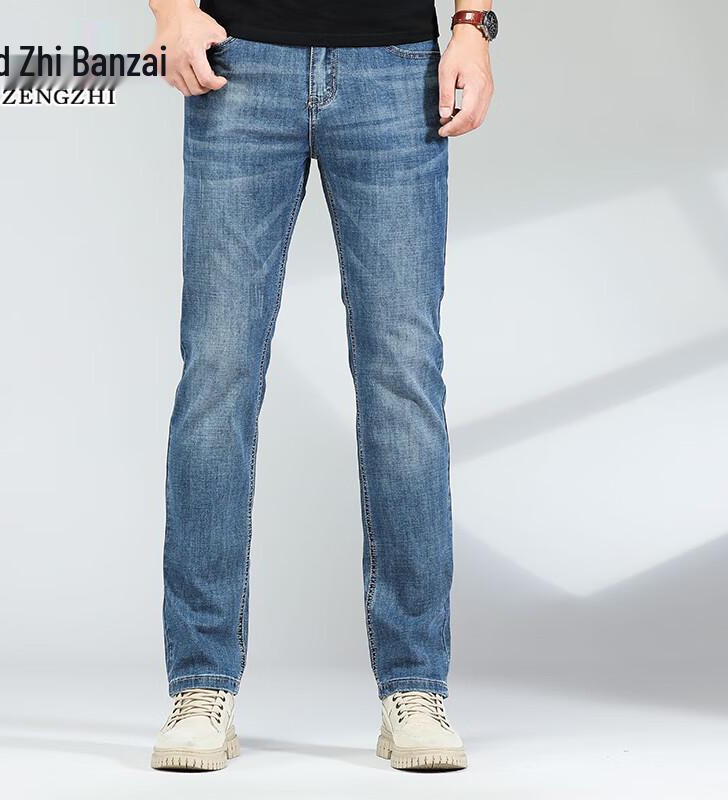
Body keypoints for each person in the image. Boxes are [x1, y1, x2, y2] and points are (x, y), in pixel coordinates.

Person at [145, 0, 496, 772]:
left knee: (403, 376)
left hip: (397, 69)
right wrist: (171, 9)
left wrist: (472, 26)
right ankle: (200, 685)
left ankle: (416, 685)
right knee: (217, 374)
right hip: (239, 65)